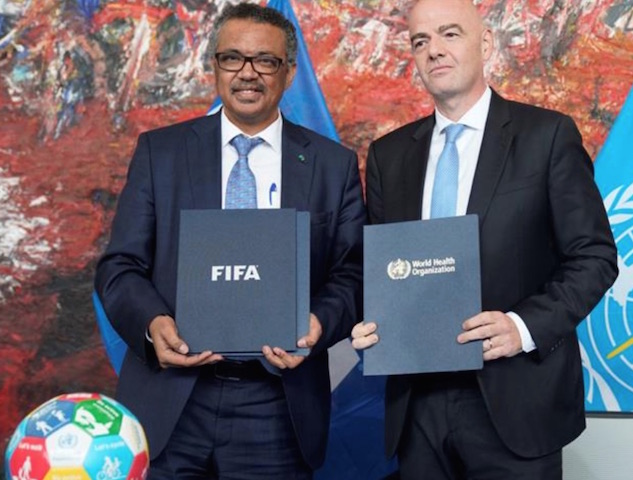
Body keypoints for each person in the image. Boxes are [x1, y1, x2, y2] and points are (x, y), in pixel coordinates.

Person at [94, 3, 365, 479]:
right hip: (172, 401)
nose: (248, 73)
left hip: (278, 407)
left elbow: (353, 273)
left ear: (289, 72)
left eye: (266, 61)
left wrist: (319, 322)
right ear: (215, 66)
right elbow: (119, 267)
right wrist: (153, 323)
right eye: (233, 58)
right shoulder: (160, 152)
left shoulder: (332, 164)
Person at [351, 0, 618, 478]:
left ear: (487, 43)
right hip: (417, 406)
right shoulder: (389, 156)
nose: (434, 50)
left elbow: (594, 257)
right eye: (420, 40)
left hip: (517, 399)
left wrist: (522, 326)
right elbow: (381, 269)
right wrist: (367, 323)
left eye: (450, 33)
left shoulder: (547, 136)